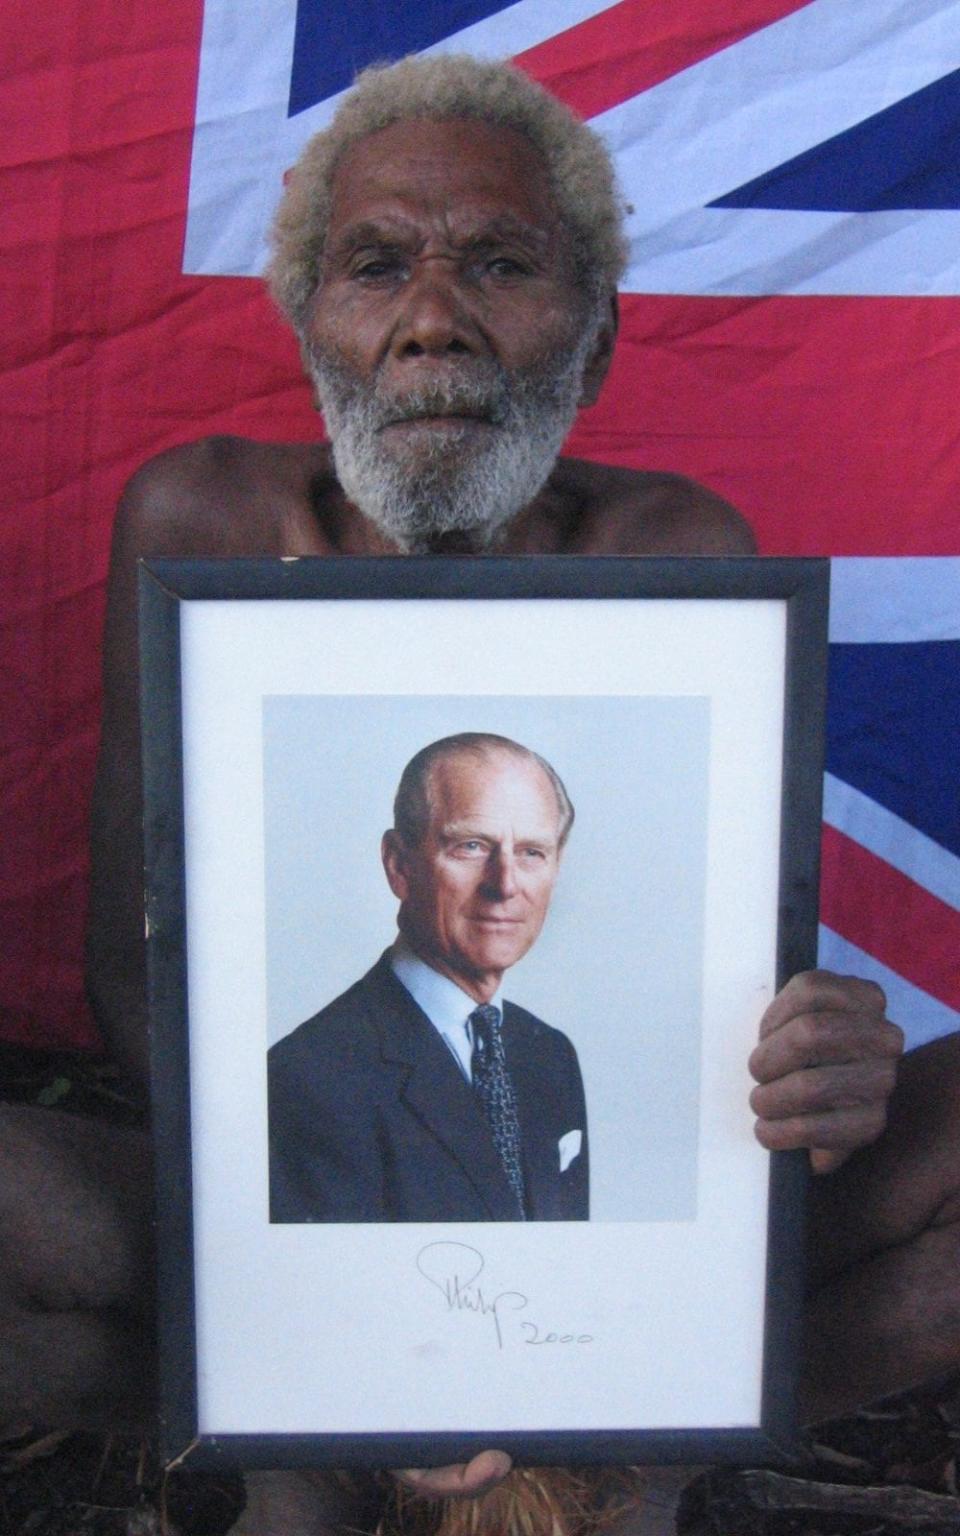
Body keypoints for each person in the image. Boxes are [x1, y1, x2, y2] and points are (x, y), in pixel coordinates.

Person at [1, 49, 957, 1536]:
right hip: (279, 1248)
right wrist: (360, 1343)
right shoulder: (196, 521)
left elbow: (702, 1034)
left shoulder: (677, 550)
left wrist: (813, 1052)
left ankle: (641, 1437)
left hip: (612, 1311)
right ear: (308, 315)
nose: (432, 323)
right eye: (377, 267)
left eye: (500, 266)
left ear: (598, 330)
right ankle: (316, 1452)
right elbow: (143, 981)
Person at [268, 733, 589, 1224]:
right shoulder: (312, 1075)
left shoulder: (550, 1055)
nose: (505, 885)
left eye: (531, 853)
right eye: (472, 846)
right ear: (399, 865)